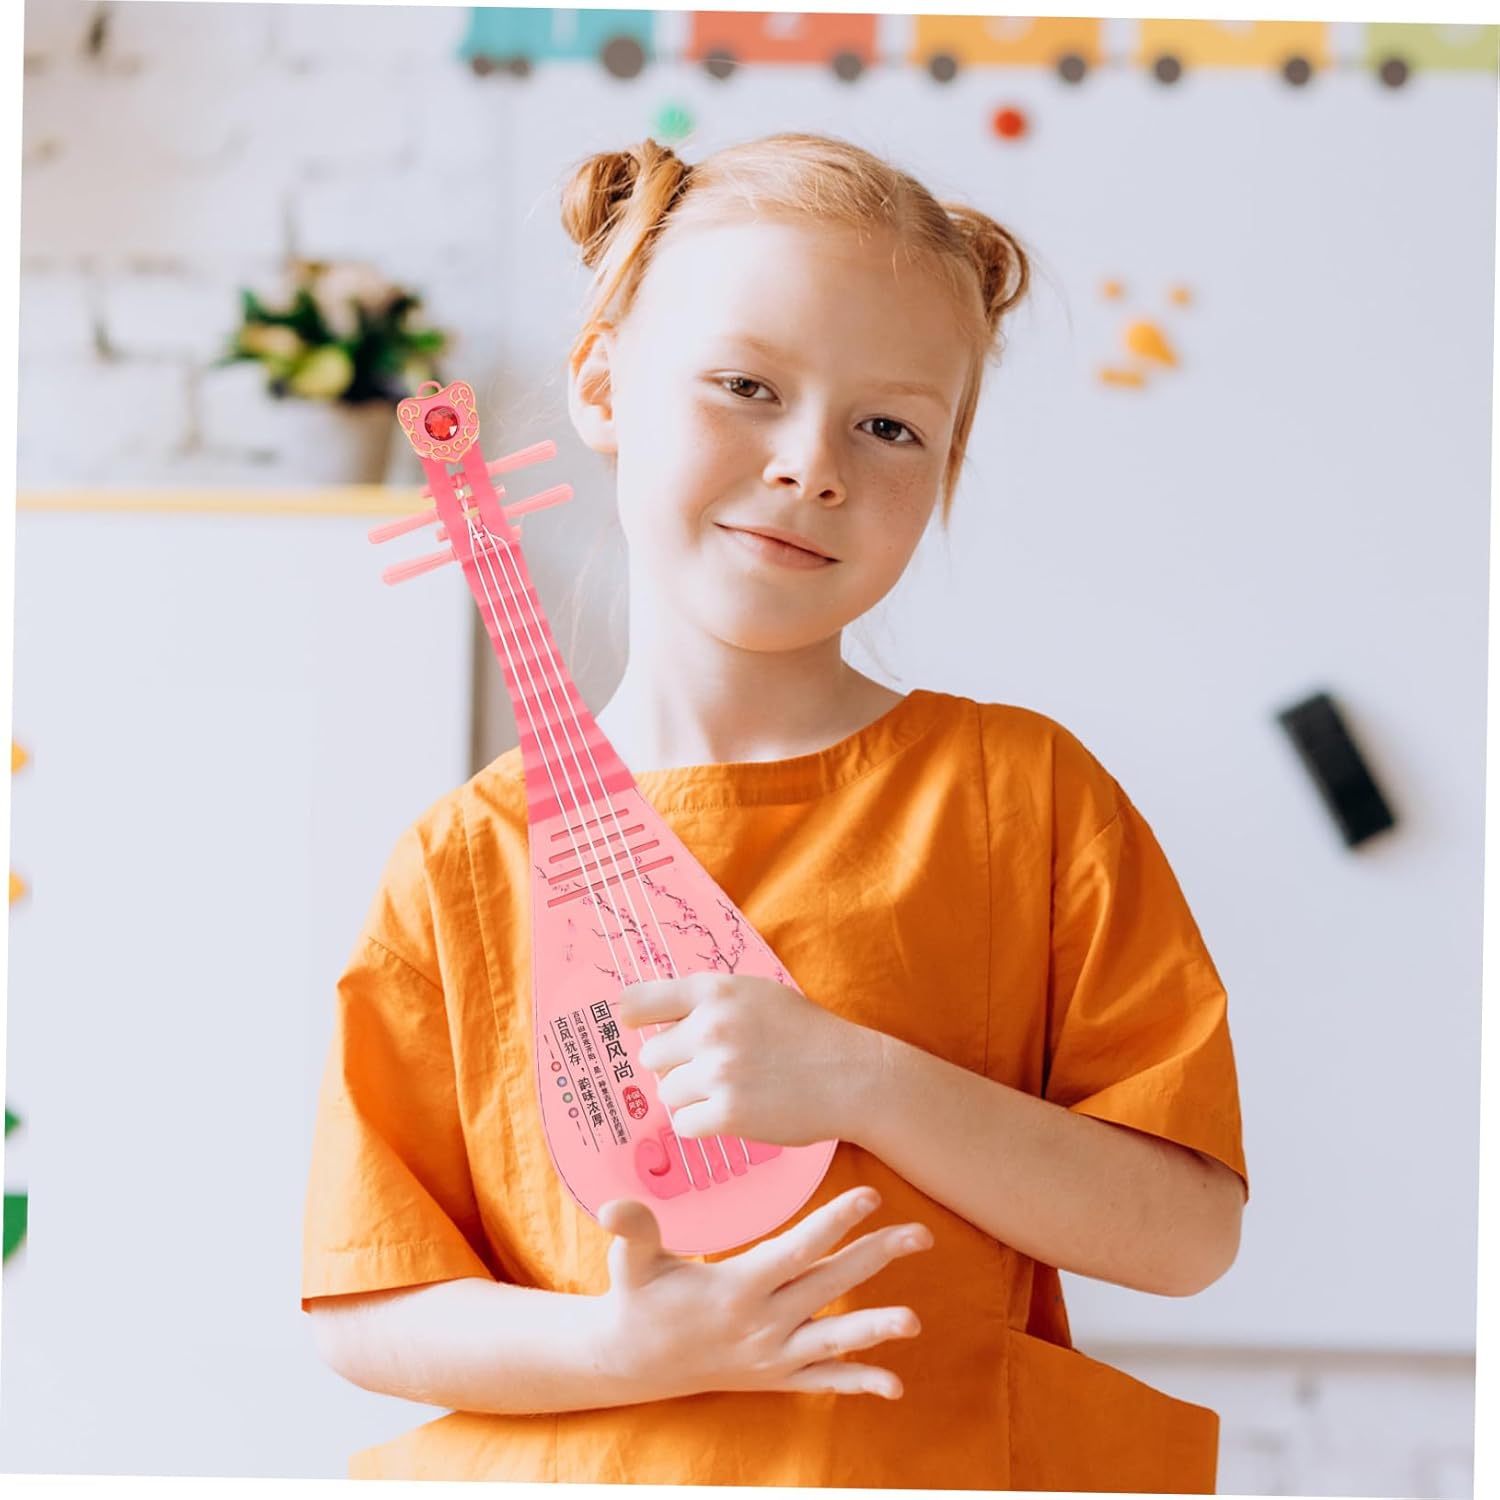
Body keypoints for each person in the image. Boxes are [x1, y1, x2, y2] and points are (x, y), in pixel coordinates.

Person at [301, 131, 1249, 1491]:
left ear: (945, 470)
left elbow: (1188, 1235)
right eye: (747, 387)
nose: (812, 465)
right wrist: (618, 1353)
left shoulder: (1025, 798)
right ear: (602, 383)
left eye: (890, 427)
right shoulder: (460, 864)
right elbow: (368, 1299)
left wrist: (862, 1081)